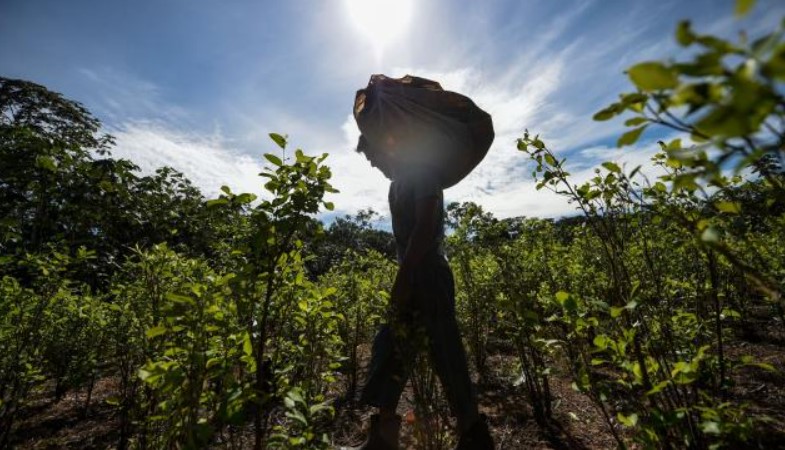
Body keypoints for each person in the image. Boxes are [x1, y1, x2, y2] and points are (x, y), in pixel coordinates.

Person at [352, 136, 494, 450]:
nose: (374, 163)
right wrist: (404, 277)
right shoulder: (396, 184)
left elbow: (425, 226)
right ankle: (383, 435)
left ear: (389, 145)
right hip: (412, 272)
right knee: (391, 345)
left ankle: (474, 435)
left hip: (429, 275)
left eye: (373, 155)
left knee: (446, 352)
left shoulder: (423, 173)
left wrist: (404, 279)